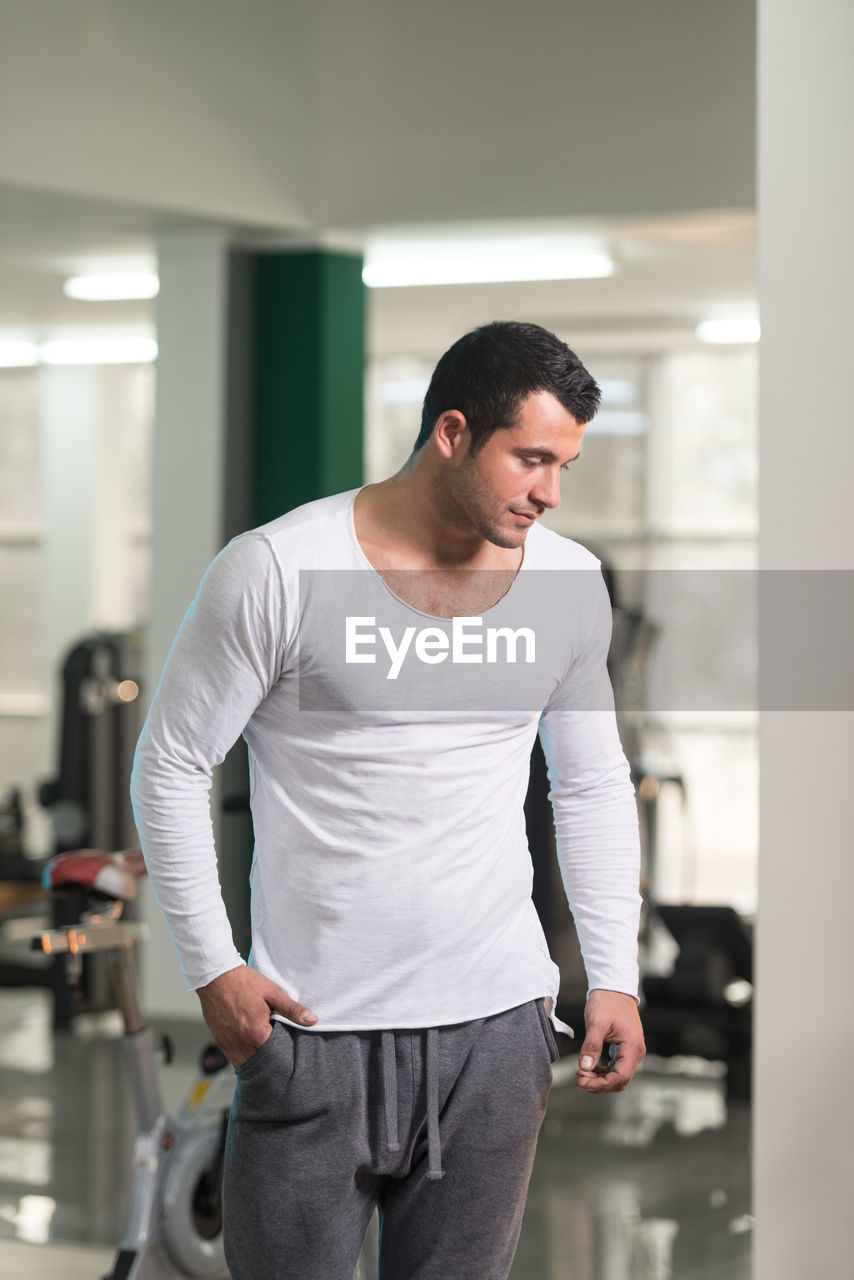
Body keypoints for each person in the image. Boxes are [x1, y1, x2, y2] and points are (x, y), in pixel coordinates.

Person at [130, 320, 645, 1280]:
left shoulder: (570, 583)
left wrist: (612, 972)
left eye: (564, 464)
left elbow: (592, 782)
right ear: (451, 432)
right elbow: (169, 766)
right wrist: (215, 972)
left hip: (498, 1033)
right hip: (313, 1031)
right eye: (531, 459)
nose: (550, 492)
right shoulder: (278, 570)